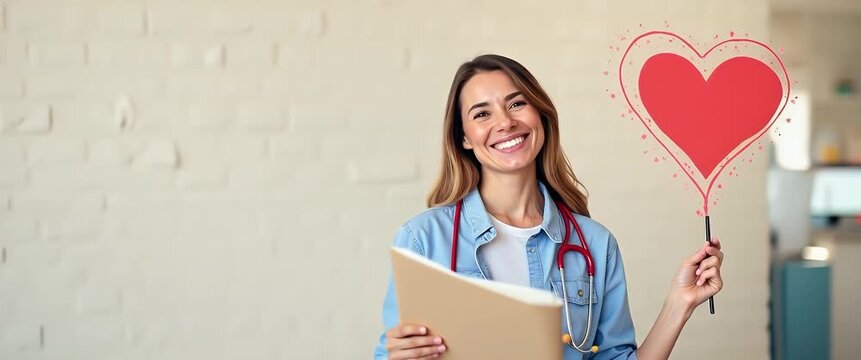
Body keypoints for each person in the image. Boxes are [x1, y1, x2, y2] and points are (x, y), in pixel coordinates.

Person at [373, 54, 724, 360]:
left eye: (516, 103)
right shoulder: (421, 240)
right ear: (463, 137)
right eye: (482, 113)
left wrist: (679, 304)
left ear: (540, 115)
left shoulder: (596, 246)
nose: (505, 122)